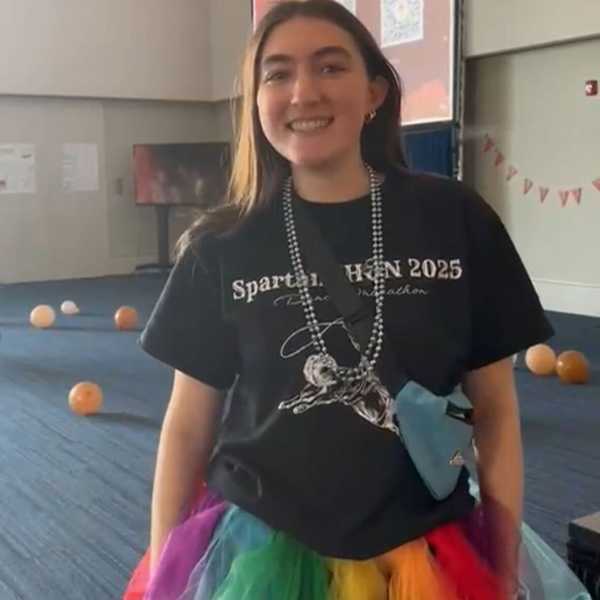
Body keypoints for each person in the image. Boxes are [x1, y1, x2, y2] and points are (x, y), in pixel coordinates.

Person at [123, 2, 591, 599]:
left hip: (422, 539)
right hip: (262, 542)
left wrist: (501, 559)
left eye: (330, 67)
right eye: (278, 73)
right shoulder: (221, 243)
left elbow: (495, 411)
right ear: (257, 99)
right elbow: (188, 426)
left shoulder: (455, 218)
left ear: (374, 91)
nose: (303, 92)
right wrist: (169, 567)